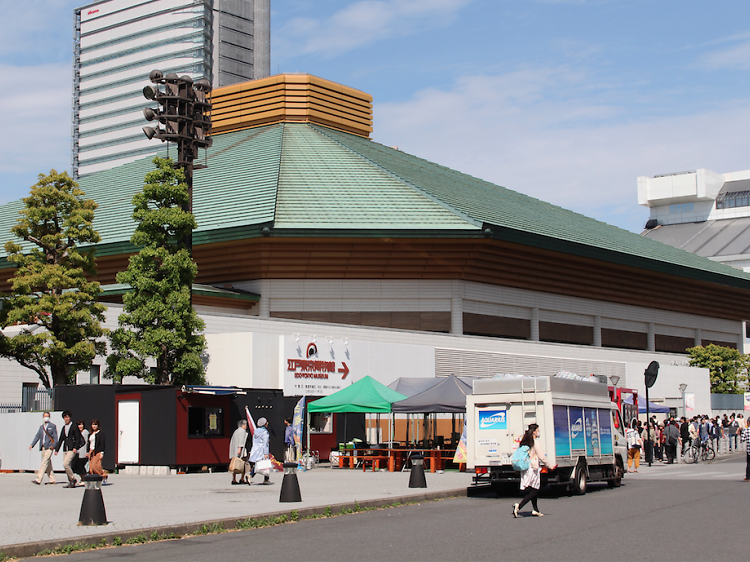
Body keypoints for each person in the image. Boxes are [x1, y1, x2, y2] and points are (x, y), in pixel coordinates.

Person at [512, 424, 550, 518]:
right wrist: (549, 466)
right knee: (535, 489)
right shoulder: (535, 442)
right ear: (534, 432)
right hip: (533, 468)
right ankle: (519, 506)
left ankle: (535, 510)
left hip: (526, 468)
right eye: (537, 430)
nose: (538, 432)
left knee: (533, 488)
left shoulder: (525, 441)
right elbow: (541, 456)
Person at [54, 410, 85, 488]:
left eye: (67, 417)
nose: (66, 419)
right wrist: (57, 449)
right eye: (65, 417)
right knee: (68, 465)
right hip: (66, 448)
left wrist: (76, 447)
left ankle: (73, 479)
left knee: (65, 463)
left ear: (70, 417)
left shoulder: (74, 426)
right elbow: (61, 439)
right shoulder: (64, 427)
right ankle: (71, 482)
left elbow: (78, 438)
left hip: (72, 448)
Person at [29, 411, 58, 485]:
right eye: (45, 416)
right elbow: (37, 436)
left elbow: (55, 437)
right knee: (48, 464)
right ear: (43, 417)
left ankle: (38, 479)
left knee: (44, 462)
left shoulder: (52, 426)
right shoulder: (41, 427)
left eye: (47, 416)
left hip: (49, 447)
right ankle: (52, 479)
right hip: (43, 447)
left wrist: (54, 445)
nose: (46, 417)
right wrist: (32, 445)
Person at [248, 417, 271, 484]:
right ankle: (265, 479)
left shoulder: (256, 431)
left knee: (258, 464)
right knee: (265, 465)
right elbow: (265, 443)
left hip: (256, 449)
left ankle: (250, 475)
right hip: (262, 449)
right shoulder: (265, 432)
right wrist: (266, 453)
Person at [229, 420, 249, 485]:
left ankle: (234, 479)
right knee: (243, 464)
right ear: (242, 425)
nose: (246, 426)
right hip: (239, 450)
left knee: (235, 465)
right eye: (245, 425)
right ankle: (242, 478)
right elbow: (241, 441)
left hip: (234, 450)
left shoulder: (236, 431)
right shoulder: (242, 431)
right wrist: (240, 449)